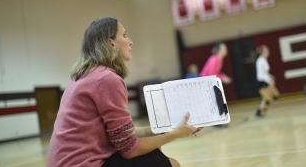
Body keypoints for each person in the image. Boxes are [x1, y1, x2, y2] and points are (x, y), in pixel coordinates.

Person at [46, 17, 201, 167]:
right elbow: (129, 149)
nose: (130, 41)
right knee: (171, 164)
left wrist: (168, 128)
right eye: (125, 35)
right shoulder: (106, 79)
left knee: (154, 154)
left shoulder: (83, 76)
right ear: (111, 42)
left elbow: (125, 135)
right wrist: (176, 134)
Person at [255, 45, 280, 117]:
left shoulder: (264, 59)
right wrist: (270, 81)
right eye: (266, 50)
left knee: (274, 96)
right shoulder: (260, 61)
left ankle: (261, 107)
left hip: (266, 81)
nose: (268, 52)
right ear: (262, 52)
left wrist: (270, 76)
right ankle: (260, 110)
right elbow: (261, 76)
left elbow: (265, 73)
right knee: (268, 99)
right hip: (262, 82)